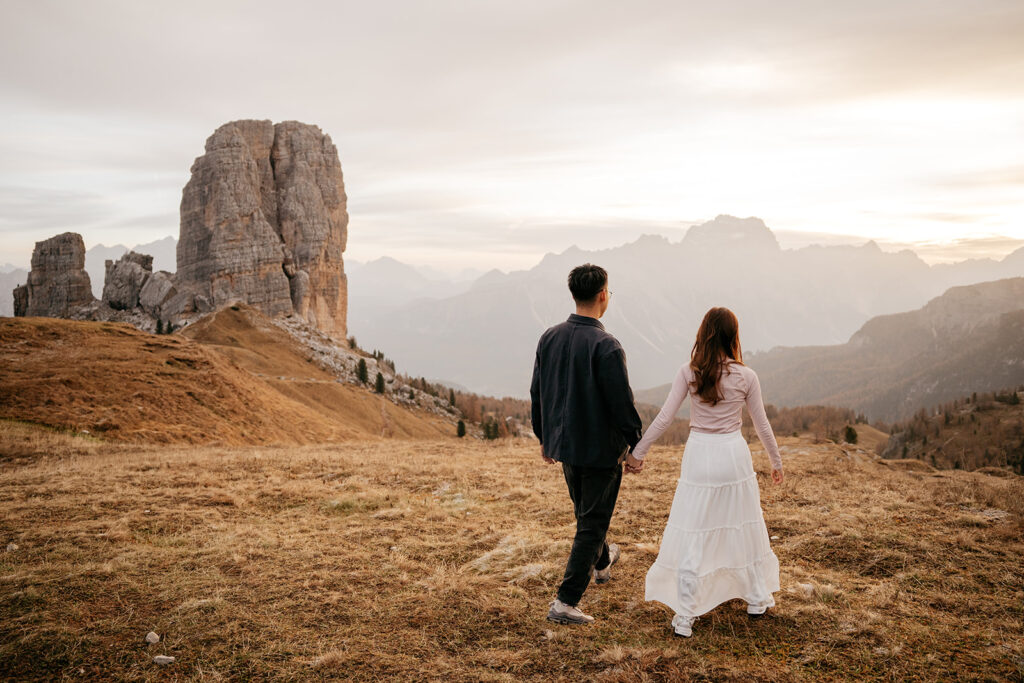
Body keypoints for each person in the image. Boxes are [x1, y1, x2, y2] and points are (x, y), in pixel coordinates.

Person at [630, 307, 784, 638]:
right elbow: (761, 424)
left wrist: (638, 454)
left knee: (694, 529)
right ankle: (756, 599)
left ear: (703, 334)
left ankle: (685, 615)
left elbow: (664, 417)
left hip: (700, 454)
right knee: (743, 523)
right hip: (732, 454)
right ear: (734, 337)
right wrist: (776, 461)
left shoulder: (689, 372)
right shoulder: (747, 376)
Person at [530, 263, 645, 625]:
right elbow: (621, 403)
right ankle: (565, 602)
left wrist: (544, 437)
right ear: (602, 296)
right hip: (599, 451)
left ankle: (602, 561)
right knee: (591, 524)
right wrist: (635, 444)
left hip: (566, 447)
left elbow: (538, 393)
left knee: (588, 517)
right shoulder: (606, 346)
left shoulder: (549, 337)